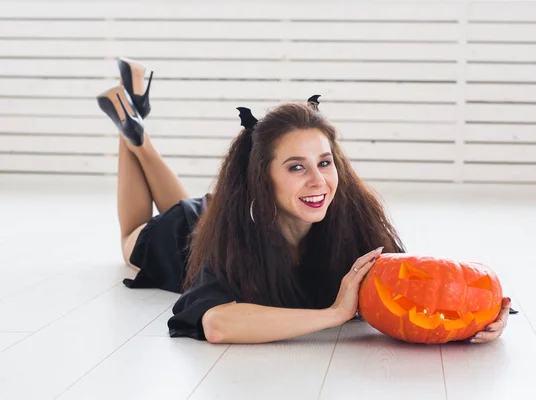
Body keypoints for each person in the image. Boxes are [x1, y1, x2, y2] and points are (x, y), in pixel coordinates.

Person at [97, 58, 512, 345]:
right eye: (296, 167)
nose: (319, 181)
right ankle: (129, 132)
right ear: (262, 178)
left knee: (193, 207)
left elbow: (421, 287)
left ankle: (133, 119)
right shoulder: (236, 243)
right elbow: (218, 324)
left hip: (216, 212)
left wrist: (485, 315)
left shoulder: (351, 218)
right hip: (186, 234)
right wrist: (333, 314)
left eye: (324, 162)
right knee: (130, 240)